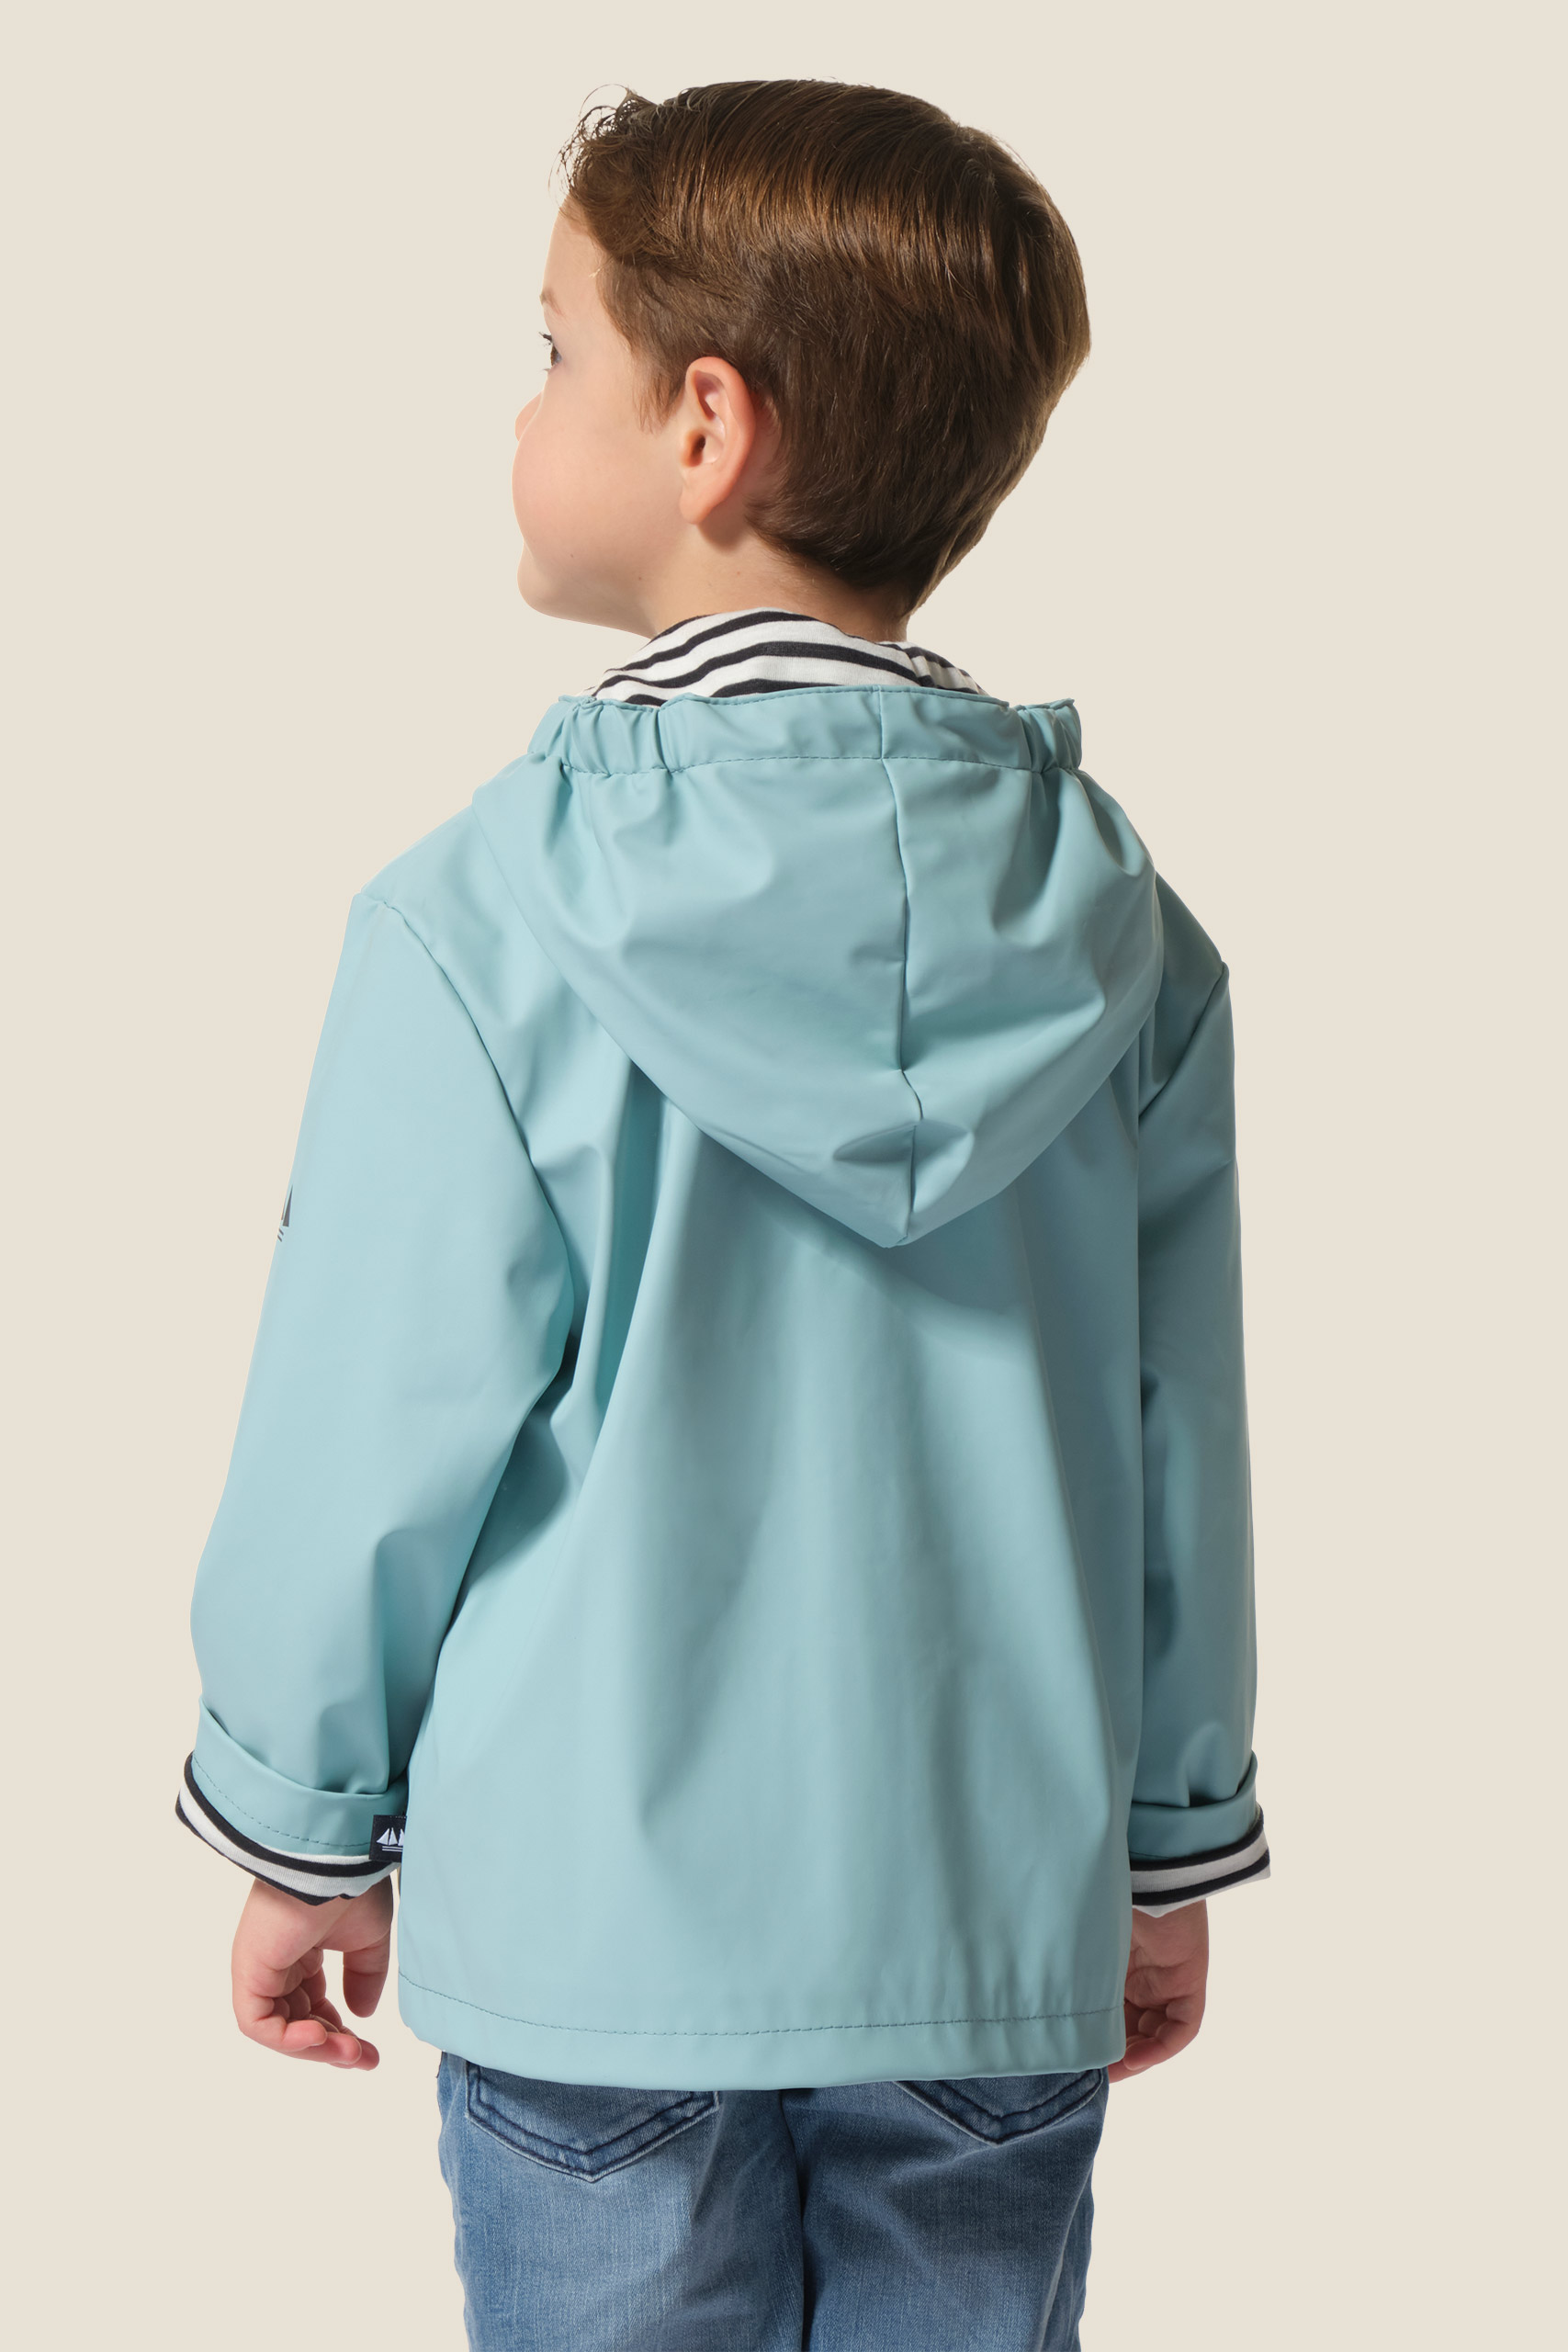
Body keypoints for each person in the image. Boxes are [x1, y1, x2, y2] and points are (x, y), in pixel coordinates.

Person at [176, 79, 1268, 2352]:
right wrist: (1165, 1841)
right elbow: (1176, 1439)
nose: (520, 403)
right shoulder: (1124, 938)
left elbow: (367, 1425)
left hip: (593, 1948)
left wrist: (297, 1819)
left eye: (550, 347)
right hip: (984, 1929)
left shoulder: (477, 917)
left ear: (703, 426)